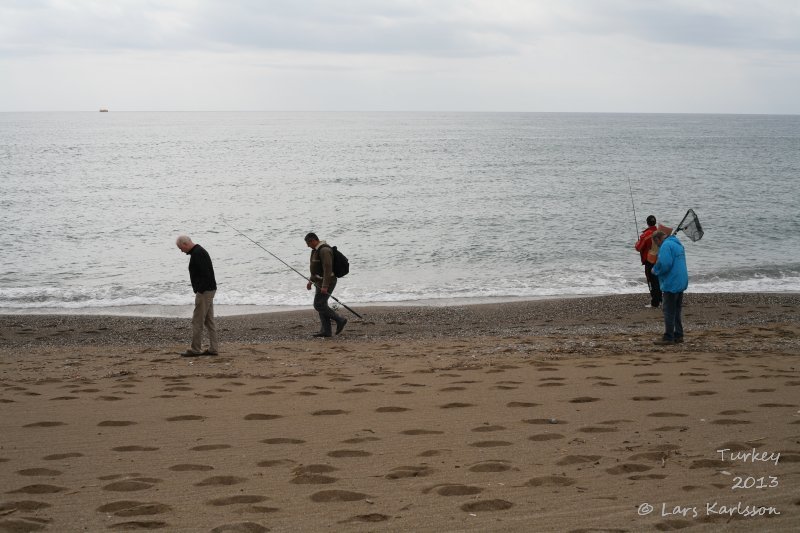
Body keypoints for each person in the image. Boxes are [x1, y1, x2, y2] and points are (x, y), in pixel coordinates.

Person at [176, 235, 219, 356]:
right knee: (209, 321)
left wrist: (199, 290)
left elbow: (205, 274)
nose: (181, 251)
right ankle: (213, 349)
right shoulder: (199, 251)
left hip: (205, 291)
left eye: (181, 248)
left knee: (197, 321)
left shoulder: (197, 253)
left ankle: (195, 349)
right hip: (209, 289)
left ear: (185, 244)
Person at [304, 232, 347, 338]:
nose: (307, 246)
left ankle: (340, 320)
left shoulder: (324, 250)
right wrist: (311, 281)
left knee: (318, 304)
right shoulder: (315, 251)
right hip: (319, 281)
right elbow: (316, 269)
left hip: (328, 281)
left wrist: (325, 286)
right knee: (321, 304)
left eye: (308, 243)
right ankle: (326, 331)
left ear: (313, 240)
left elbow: (328, 269)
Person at [651, 230, 688, 345]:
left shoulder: (666, 245)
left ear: (658, 239)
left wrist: (655, 270)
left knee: (669, 310)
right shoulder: (677, 244)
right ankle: (678, 335)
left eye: (656, 243)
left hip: (672, 282)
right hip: (681, 280)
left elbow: (665, 264)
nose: (657, 246)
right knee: (677, 310)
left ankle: (668, 337)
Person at [634, 215, 662, 308]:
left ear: (647, 223)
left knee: (651, 281)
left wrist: (636, 243)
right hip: (660, 260)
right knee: (659, 280)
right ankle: (661, 300)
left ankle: (655, 302)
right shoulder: (660, 233)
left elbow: (638, 248)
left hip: (649, 261)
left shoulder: (645, 235)